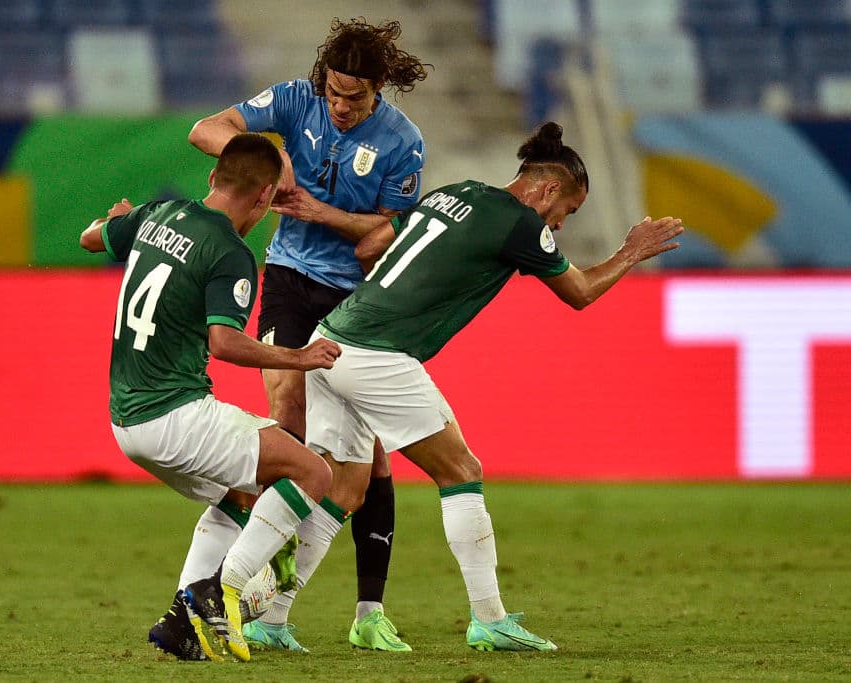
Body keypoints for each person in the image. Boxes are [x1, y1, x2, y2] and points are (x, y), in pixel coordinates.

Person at [277, 121, 684, 652]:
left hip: (330, 340)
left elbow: (372, 249)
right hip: (377, 353)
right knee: (461, 471)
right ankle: (488, 619)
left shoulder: (455, 191)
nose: (560, 225)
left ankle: (268, 614)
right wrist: (631, 251)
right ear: (547, 190)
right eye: (567, 211)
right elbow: (580, 292)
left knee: (345, 488)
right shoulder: (521, 225)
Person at [186, 17, 430, 653]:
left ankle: (368, 609)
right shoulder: (295, 101)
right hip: (292, 279)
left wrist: (325, 213)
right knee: (286, 407)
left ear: (379, 89)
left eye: (356, 97)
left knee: (368, 455)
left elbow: (389, 236)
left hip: (356, 299)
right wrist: (274, 157)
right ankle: (261, 583)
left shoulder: (404, 142)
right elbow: (206, 129)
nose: (342, 107)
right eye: (335, 93)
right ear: (323, 80)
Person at [79, 133, 342, 662]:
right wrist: (298, 357)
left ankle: (181, 625)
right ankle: (220, 591)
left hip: (126, 423)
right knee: (313, 473)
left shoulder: (159, 214)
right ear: (265, 197)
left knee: (243, 494)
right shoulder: (229, 251)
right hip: (176, 414)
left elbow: (89, 239)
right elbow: (224, 342)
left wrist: (125, 222)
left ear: (212, 179)